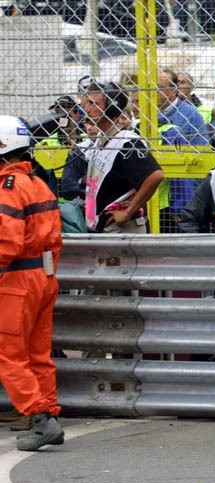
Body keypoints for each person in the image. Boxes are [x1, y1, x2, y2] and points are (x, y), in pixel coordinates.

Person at [0, 115, 65, 451]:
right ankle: (49, 414)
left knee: (8, 353)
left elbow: (5, 243)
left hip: (16, 280)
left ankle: (40, 418)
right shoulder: (38, 182)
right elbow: (54, 238)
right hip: (44, 275)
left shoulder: (9, 186)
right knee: (38, 353)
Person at [80, 80, 164, 233]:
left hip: (122, 229)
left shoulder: (126, 142)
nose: (87, 109)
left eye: (93, 103)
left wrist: (128, 212)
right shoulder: (102, 139)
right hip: (105, 225)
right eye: (87, 103)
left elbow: (155, 176)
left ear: (111, 108)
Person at [157, 69, 209, 231]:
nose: (154, 92)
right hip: (157, 194)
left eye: (159, 87)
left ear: (173, 91)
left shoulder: (190, 114)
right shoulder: (147, 113)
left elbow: (202, 153)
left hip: (182, 195)